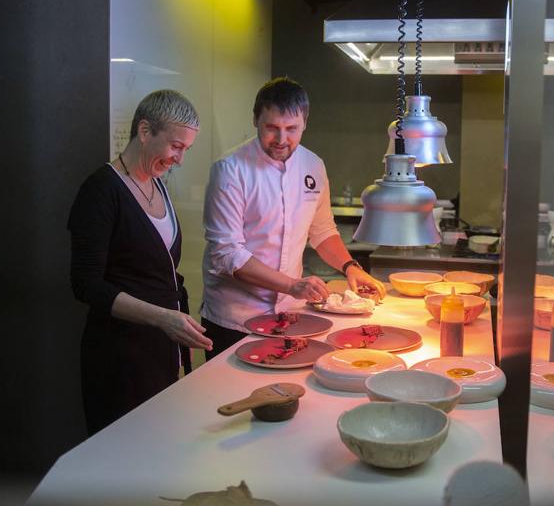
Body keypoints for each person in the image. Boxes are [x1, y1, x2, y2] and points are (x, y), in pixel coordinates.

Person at [200, 77, 386, 358]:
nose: (282, 139)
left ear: (305, 123)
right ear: (255, 120)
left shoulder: (313, 165)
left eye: (292, 129)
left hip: (289, 314)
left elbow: (322, 231)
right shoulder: (230, 170)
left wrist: (350, 267)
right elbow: (227, 254)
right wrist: (292, 285)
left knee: (280, 392)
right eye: (272, 128)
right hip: (235, 317)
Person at [68, 89, 213, 435]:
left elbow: (164, 271)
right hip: (118, 355)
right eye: (175, 146)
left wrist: (176, 330)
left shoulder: (158, 185)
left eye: (186, 150)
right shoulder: (100, 191)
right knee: (123, 457)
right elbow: (86, 285)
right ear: (145, 131)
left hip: (158, 350)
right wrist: (163, 317)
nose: (179, 159)